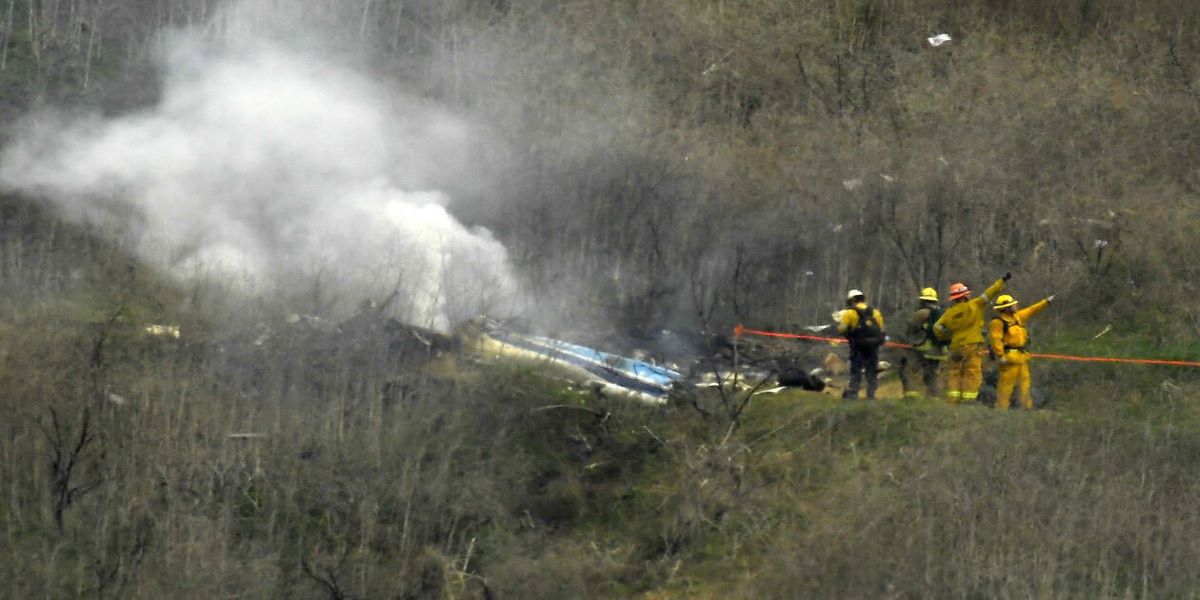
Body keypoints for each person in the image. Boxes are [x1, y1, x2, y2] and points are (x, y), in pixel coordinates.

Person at [932, 273, 1010, 404]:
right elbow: (989, 293)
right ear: (965, 295)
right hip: (972, 347)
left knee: (954, 373)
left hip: (955, 347)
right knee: (971, 373)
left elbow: (937, 328)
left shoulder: (949, 313)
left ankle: (953, 401)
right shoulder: (975, 305)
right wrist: (1002, 281)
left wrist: (948, 336)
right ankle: (968, 401)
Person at [989, 293, 1056, 410]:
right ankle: (1001, 409)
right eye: (1013, 305)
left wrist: (1046, 302)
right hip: (1009, 359)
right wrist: (1000, 355)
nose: (1015, 306)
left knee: (1025, 384)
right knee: (1006, 386)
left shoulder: (1018, 317)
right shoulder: (998, 322)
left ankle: (1025, 407)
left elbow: (1032, 310)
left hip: (1021, 357)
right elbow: (996, 340)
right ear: (1007, 308)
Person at [837, 289, 886, 400]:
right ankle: (871, 395)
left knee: (856, 370)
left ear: (851, 301)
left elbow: (842, 329)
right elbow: (881, 329)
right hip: (873, 347)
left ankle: (853, 394)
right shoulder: (875, 312)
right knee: (871, 371)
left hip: (858, 346)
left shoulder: (850, 313)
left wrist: (848, 333)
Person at [899, 287, 946, 399]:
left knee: (908, 369)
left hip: (924, 348)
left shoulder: (921, 313)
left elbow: (912, 328)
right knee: (932, 374)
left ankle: (911, 395)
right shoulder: (942, 313)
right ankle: (933, 396)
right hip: (939, 350)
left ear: (923, 301)